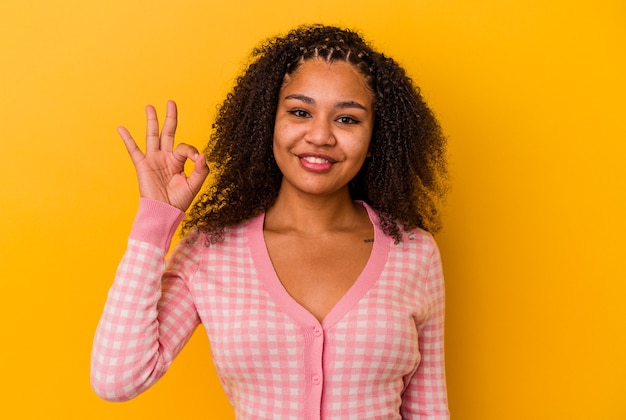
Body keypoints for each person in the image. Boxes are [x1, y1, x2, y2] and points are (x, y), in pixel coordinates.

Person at [91, 24, 450, 419]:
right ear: (268, 121)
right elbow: (117, 378)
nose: (320, 135)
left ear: (375, 136)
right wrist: (155, 220)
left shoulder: (414, 253)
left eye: (347, 119)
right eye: (300, 112)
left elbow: (428, 410)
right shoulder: (210, 251)